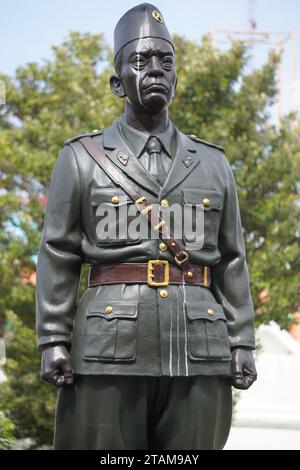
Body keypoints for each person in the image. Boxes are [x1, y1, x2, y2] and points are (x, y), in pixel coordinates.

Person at [36, 3, 257, 450]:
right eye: (141, 61)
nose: (156, 69)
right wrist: (52, 338)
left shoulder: (213, 164)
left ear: (176, 78)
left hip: (201, 347)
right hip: (107, 348)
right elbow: (58, 252)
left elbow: (232, 258)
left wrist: (242, 341)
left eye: (166, 61)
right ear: (118, 82)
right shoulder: (81, 159)